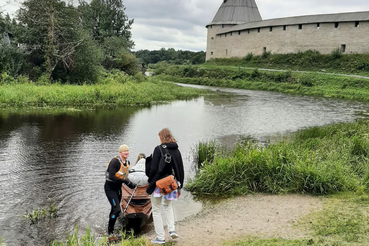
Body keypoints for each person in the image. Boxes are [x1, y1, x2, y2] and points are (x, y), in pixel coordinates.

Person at [146, 128, 184, 244]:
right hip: (172, 183)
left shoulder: (158, 149)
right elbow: (180, 169)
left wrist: (150, 181)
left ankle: (160, 237)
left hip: (159, 183)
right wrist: (180, 186)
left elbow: (153, 169)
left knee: (156, 209)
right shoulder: (176, 150)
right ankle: (172, 230)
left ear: (161, 137)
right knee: (168, 206)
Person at [104, 144, 136, 235]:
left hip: (118, 189)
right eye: (124, 151)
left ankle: (111, 227)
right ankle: (110, 232)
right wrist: (125, 182)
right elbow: (112, 176)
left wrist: (131, 184)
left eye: (127, 151)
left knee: (114, 209)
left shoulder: (127, 163)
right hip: (110, 188)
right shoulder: (115, 162)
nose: (126, 152)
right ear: (120, 152)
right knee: (117, 209)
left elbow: (125, 177)